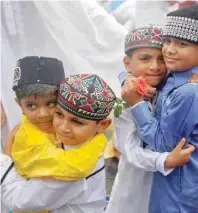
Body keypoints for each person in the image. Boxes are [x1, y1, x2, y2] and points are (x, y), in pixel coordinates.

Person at [121, 4, 198, 213]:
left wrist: (136, 104)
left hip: (181, 188)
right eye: (168, 41)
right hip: (185, 179)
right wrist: (130, 80)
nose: (169, 50)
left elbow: (162, 144)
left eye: (181, 43)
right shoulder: (178, 73)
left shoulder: (189, 92)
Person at [1, 73, 116, 213]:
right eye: (59, 114)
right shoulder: (90, 143)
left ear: (103, 125)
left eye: (77, 122)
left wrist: (6, 157)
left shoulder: (73, 170)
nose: (62, 127)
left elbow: (17, 200)